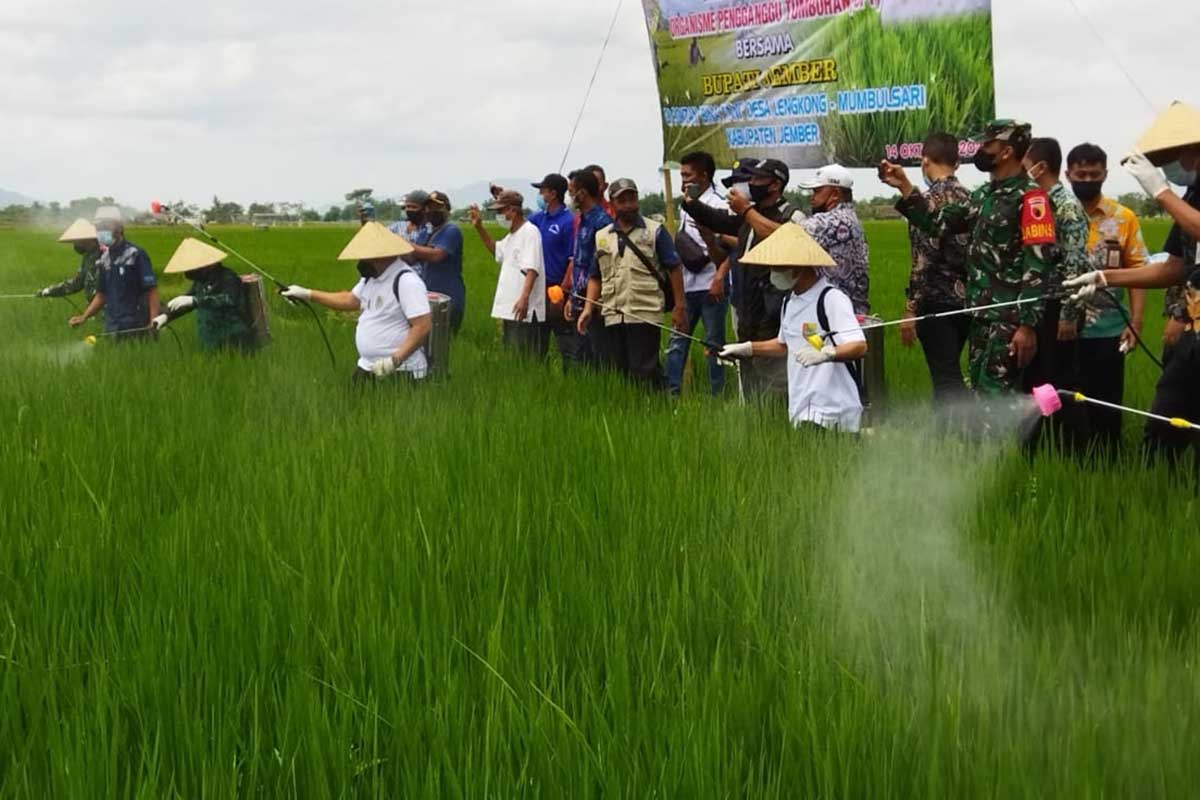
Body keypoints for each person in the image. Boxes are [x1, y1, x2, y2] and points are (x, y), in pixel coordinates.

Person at [1065, 102, 1200, 462]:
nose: (1172, 166)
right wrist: (1105, 276)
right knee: (1164, 422)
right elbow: (1173, 267)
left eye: (1173, 156)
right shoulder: (1192, 195)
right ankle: (1159, 488)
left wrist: (1160, 192)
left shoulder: (1167, 201)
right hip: (1194, 327)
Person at [882, 120, 1052, 398]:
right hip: (980, 317)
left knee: (996, 399)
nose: (981, 150)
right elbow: (939, 223)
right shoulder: (984, 195)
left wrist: (1028, 325)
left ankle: (1000, 442)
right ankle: (979, 442)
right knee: (979, 393)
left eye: (988, 144)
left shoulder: (1031, 199)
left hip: (1007, 321)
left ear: (1006, 151)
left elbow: (1037, 266)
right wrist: (904, 186)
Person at [720, 223, 867, 432]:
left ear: (797, 266)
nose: (772, 273)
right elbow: (785, 345)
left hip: (831, 410)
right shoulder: (790, 301)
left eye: (777, 266)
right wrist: (747, 348)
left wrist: (828, 353)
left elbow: (859, 346)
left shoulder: (831, 299)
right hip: (801, 404)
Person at [681, 158, 805, 396]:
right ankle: (754, 423)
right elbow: (719, 219)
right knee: (747, 368)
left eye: (758, 178)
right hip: (747, 305)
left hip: (775, 307)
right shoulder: (750, 214)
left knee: (773, 375)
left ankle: (777, 423)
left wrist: (747, 210)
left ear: (775, 184)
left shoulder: (791, 214)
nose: (752, 182)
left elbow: (788, 239)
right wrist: (691, 203)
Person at [1062, 142, 1149, 451]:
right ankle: (1069, 460)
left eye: (1093, 174)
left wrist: (1135, 321)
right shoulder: (1054, 215)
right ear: (1068, 174)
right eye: (1080, 173)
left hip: (1109, 328)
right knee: (1064, 404)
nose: (1087, 179)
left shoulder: (1123, 218)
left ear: (1105, 174)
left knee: (1107, 405)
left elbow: (1138, 270)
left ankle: (1107, 461)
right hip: (1062, 329)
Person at [282, 222, 431, 383]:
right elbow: (350, 300)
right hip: (367, 366)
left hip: (401, 371)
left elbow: (422, 326)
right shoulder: (371, 279)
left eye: (365, 256)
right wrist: (307, 293)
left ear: (381, 255)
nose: (361, 261)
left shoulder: (406, 282)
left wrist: (395, 360)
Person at [577, 179, 686, 387]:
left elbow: (674, 268)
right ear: (612, 203)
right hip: (613, 312)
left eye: (632, 199)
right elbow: (595, 275)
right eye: (622, 200)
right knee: (618, 370)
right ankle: (629, 412)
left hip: (644, 312)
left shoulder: (655, 231)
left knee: (644, 369)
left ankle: (654, 410)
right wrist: (589, 308)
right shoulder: (602, 236)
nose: (628, 205)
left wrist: (679, 307)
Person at [898, 132, 972, 405]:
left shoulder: (924, 204)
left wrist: (910, 309)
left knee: (945, 376)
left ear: (925, 161)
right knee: (950, 369)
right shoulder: (971, 198)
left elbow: (922, 259)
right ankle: (955, 433)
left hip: (937, 301)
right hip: (968, 301)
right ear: (958, 162)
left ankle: (959, 434)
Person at [1021, 138, 1090, 399]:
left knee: (1062, 380)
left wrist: (1069, 314)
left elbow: (1076, 262)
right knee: (1038, 378)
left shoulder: (1066, 206)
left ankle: (1071, 438)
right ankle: (1042, 437)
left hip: (1059, 308)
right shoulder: (1036, 202)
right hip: (1041, 305)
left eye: (1024, 165)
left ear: (1040, 167)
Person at [665, 150, 730, 396]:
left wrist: (720, 277)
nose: (684, 180)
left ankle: (718, 397)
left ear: (703, 176)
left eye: (688, 174)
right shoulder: (686, 205)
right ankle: (670, 395)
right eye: (681, 175)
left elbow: (730, 250)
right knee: (677, 342)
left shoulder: (719, 205)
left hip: (710, 284)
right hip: (687, 283)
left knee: (713, 345)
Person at [468, 190, 546, 355]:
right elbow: (496, 250)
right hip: (511, 309)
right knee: (512, 356)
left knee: (525, 357)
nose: (499, 215)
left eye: (500, 211)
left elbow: (532, 269)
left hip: (524, 309)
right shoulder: (512, 235)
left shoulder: (530, 232)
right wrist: (479, 228)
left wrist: (524, 298)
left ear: (512, 210)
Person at [150, 238, 256, 353]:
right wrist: (167, 316)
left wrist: (196, 300)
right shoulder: (201, 281)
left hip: (234, 338)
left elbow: (228, 300)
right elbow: (187, 302)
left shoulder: (228, 277)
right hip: (210, 339)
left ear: (208, 263)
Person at [69, 206, 160, 337]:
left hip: (136, 327)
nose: (102, 231)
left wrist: (153, 321)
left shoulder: (135, 254)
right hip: (112, 327)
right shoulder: (104, 258)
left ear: (119, 228)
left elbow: (151, 291)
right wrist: (84, 317)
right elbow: (102, 295)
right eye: (99, 227)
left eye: (106, 226)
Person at [797, 164, 870, 314]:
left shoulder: (836, 220)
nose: (812, 198)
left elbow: (787, 237)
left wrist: (747, 211)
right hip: (847, 310)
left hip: (836, 314)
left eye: (817, 191)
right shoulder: (849, 217)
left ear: (835, 194)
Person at [528, 173, 578, 366]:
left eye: (543, 190)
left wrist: (563, 291)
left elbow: (573, 259)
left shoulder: (568, 221)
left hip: (557, 291)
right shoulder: (538, 219)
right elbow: (515, 225)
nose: (540, 194)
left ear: (553, 194)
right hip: (537, 291)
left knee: (566, 342)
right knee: (537, 344)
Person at [565, 168, 613, 364]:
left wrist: (590, 303)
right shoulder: (582, 221)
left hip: (594, 304)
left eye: (571, 191)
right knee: (581, 360)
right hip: (579, 299)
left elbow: (602, 267)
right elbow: (579, 262)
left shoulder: (602, 223)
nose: (569, 196)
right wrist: (571, 296)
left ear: (582, 193)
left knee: (598, 360)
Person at [404, 191, 465, 333]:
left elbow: (436, 255)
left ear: (447, 209)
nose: (431, 211)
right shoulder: (426, 233)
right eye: (428, 207)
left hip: (448, 298)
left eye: (437, 207)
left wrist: (406, 245)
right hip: (428, 297)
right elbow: (412, 259)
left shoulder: (451, 230)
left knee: (443, 345)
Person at [37, 219, 102, 316]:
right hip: (94, 310)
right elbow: (77, 283)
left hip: (111, 311)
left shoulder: (106, 254)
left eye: (76, 241)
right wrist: (50, 291)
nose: (75, 245)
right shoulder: (88, 257)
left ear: (85, 239)